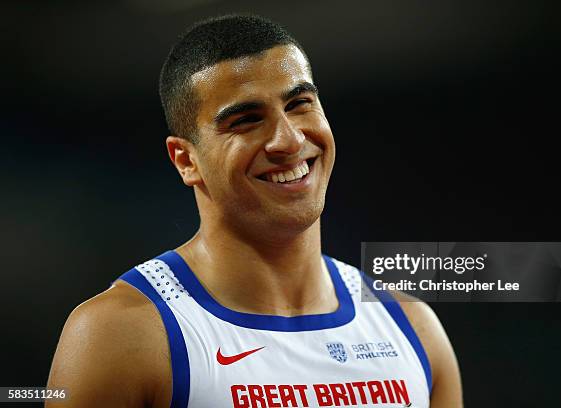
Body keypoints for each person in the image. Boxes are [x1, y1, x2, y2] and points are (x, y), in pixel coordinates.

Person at [47, 14, 462, 408]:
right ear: (185, 161)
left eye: (300, 103)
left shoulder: (412, 328)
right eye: (246, 120)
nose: (288, 139)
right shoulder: (122, 334)